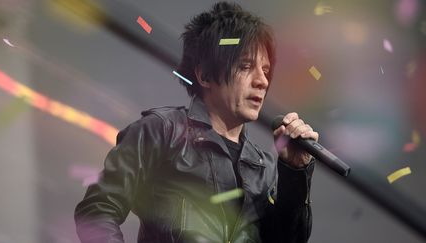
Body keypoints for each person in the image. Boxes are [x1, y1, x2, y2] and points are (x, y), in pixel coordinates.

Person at [74, 2, 319, 243]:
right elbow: (97, 211)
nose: (262, 81)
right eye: (246, 66)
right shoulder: (162, 131)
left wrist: (294, 171)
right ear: (204, 75)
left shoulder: (264, 166)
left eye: (266, 71)